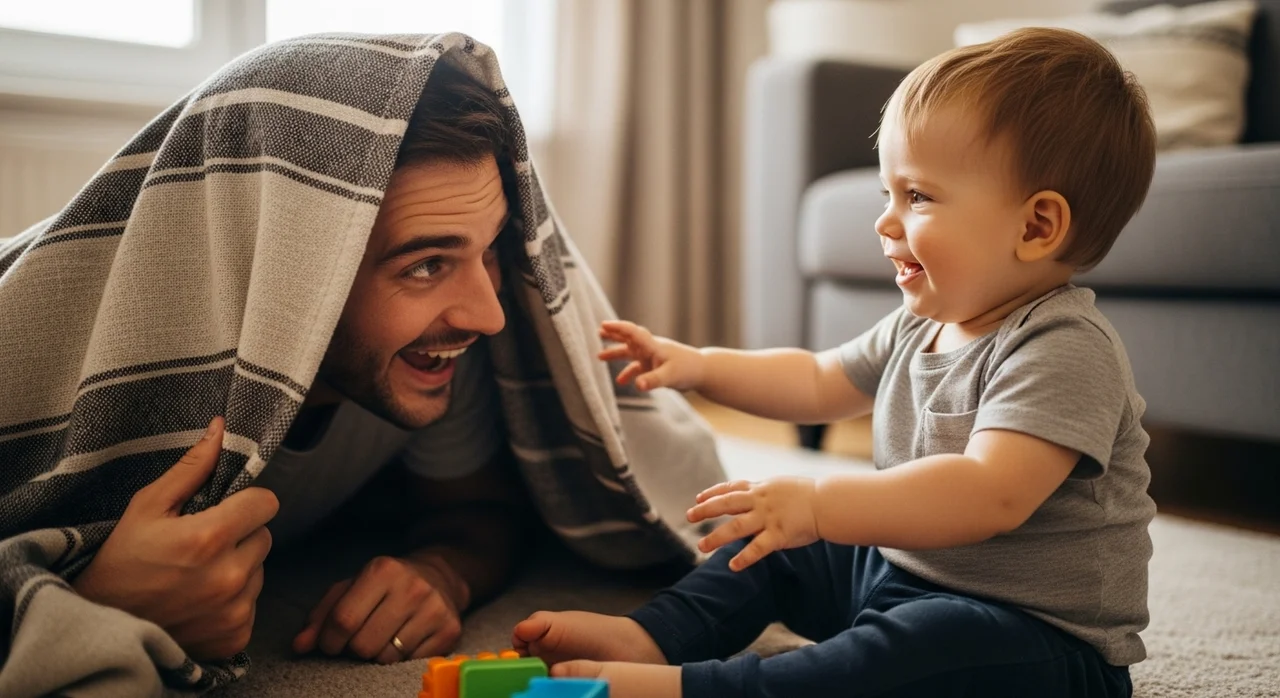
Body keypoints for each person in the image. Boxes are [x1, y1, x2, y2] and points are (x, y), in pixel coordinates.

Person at [0, 33, 723, 696]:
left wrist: (441, 570)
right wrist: (95, 606)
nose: (488, 314)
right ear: (289, 268)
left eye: (491, 250)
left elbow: (476, 507)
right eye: (427, 264)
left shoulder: (430, 359)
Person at [512, 27, 1158, 698]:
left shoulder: (1062, 346)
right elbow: (818, 380)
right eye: (888, 193)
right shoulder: (922, 322)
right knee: (778, 543)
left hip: (1034, 641)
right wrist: (699, 365)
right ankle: (655, 634)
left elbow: (988, 492)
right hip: (905, 577)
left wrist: (823, 503)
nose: (885, 221)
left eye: (918, 197)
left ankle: (695, 689)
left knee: (909, 651)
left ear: (1035, 227)